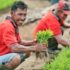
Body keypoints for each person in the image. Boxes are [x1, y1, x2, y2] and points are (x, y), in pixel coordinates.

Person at [0, 1, 46, 69]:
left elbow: (19, 42)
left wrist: (33, 42)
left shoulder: (13, 24)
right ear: (12, 13)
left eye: (24, 15)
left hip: (3, 55)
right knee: (15, 58)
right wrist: (34, 48)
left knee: (27, 52)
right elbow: (14, 47)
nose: (23, 18)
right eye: (20, 14)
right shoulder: (7, 26)